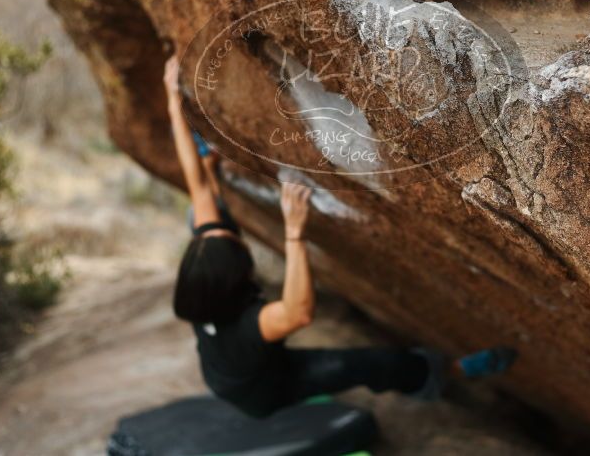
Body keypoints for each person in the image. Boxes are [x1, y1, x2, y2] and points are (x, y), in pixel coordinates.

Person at [163, 55, 517, 418]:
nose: (234, 239)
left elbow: (199, 191)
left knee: (207, 210)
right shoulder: (249, 328)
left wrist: (175, 106)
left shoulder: (201, 287)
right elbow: (298, 313)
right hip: (263, 389)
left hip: (227, 363)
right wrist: (294, 233)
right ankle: (450, 372)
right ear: (234, 287)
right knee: (365, 364)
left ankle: (210, 162)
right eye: (239, 252)